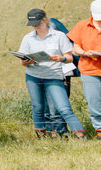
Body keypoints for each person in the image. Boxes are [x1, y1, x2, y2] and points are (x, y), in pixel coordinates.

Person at [18, 8, 84, 138]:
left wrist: (62, 59)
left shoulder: (59, 36)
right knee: (38, 107)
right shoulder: (28, 38)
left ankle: (80, 134)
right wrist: (27, 61)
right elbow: (22, 61)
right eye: (33, 24)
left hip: (54, 76)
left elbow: (70, 57)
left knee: (64, 108)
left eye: (38, 23)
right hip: (33, 76)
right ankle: (41, 135)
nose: (35, 26)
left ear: (45, 20)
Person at [69, 0, 101, 138]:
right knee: (94, 104)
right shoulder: (82, 26)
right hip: (89, 71)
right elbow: (75, 47)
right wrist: (85, 53)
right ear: (91, 13)